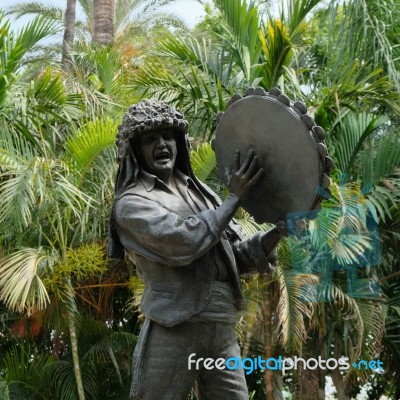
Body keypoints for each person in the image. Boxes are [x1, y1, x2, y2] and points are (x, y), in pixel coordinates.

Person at [108, 99, 285, 400]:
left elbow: (237, 254)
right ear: (135, 150)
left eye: (167, 136)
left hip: (221, 328)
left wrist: (280, 230)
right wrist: (233, 199)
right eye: (150, 139)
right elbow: (184, 242)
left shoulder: (203, 194)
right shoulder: (131, 204)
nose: (162, 144)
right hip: (174, 327)